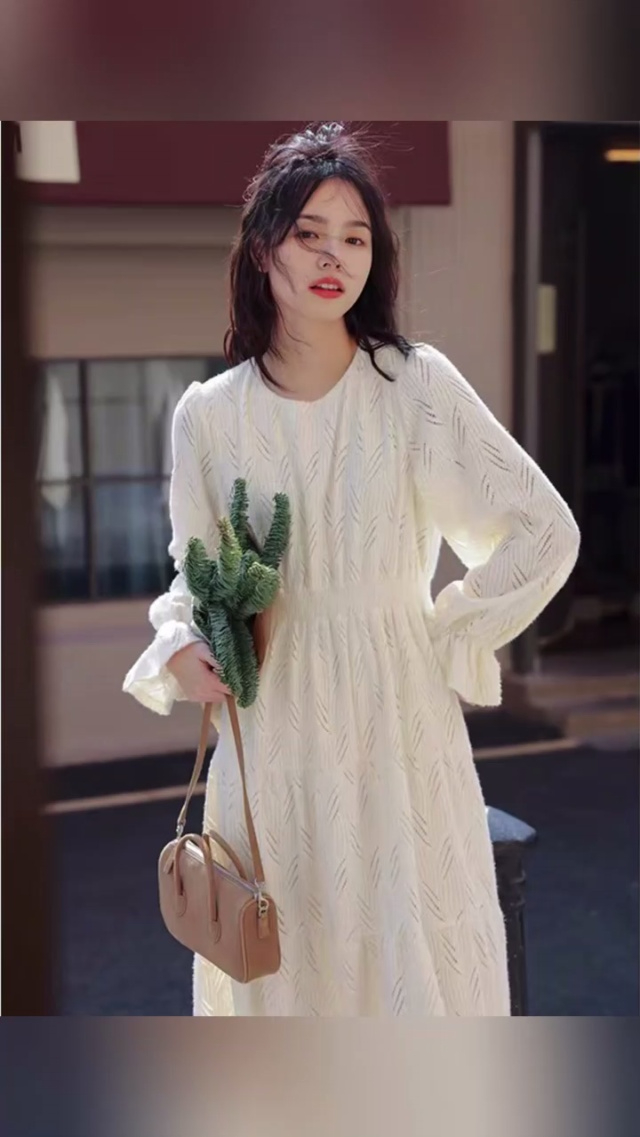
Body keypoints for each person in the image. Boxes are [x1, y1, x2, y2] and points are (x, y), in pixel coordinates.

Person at [123, 122, 580, 1017]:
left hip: (398, 720)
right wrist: (177, 643)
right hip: (271, 732)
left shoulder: (415, 386)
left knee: (412, 955)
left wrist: (450, 630)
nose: (335, 256)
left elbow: (543, 528)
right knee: (286, 963)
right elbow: (193, 573)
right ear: (264, 248)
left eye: (356, 237)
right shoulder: (209, 415)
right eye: (309, 233)